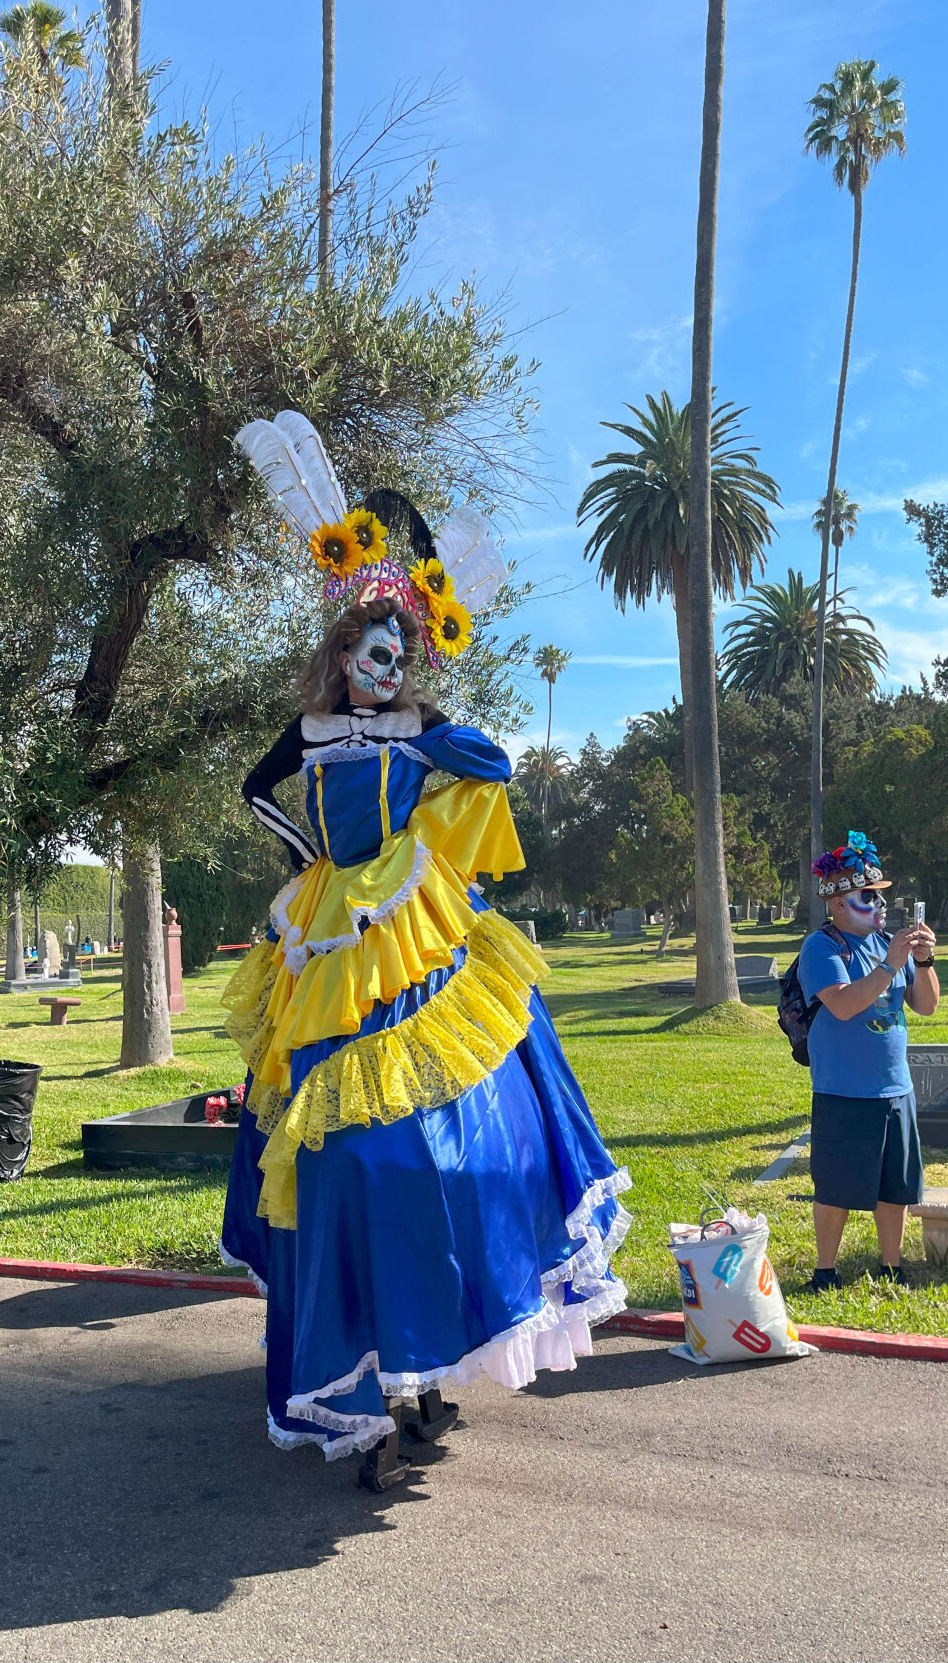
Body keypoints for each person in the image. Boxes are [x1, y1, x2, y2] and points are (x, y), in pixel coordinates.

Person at [219, 411, 630, 1483]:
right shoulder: (306, 736)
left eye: (396, 651)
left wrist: (434, 732)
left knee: (441, 1150)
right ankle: (371, 1385)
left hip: (409, 917)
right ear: (339, 651)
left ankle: (423, 1368)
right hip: (324, 932)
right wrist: (303, 847)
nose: (383, 663)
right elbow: (257, 791)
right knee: (338, 1157)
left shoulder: (417, 724)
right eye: (368, 648)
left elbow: (489, 765)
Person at [798, 834, 939, 1291]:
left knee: (893, 1187)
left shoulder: (886, 944)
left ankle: (892, 1266)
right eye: (867, 896)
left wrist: (925, 959)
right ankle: (825, 1272)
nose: (879, 903)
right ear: (837, 904)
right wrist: (890, 966)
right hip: (843, 1086)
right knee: (835, 1184)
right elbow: (842, 1005)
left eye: (880, 894)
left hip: (895, 1087)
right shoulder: (821, 947)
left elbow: (927, 1006)